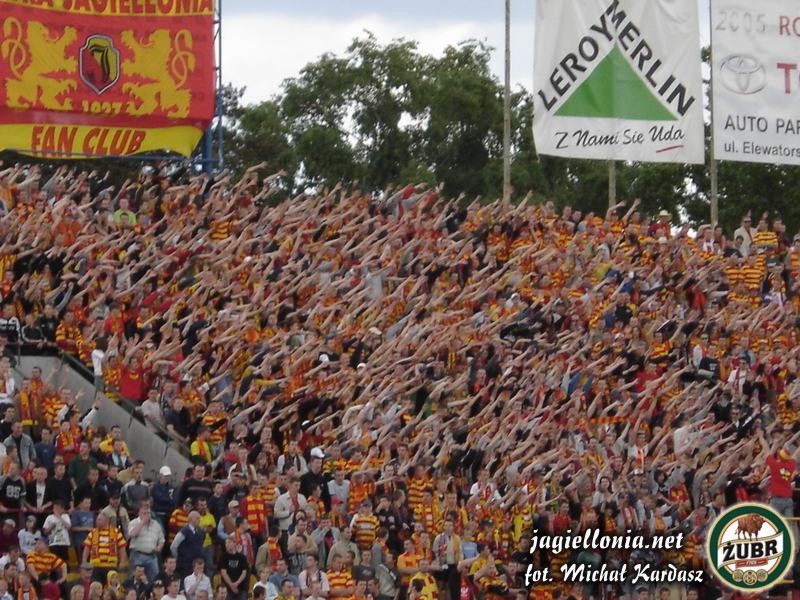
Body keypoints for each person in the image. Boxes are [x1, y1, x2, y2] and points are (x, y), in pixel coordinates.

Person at [82, 512, 127, 584]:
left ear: (106, 520)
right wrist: (84, 561)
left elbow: (122, 547)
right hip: (95, 566)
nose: (97, 521)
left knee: (112, 585)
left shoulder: (116, 532)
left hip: (111, 566)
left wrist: (122, 562)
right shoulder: (93, 532)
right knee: (95, 585)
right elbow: (87, 547)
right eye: (97, 519)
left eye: (99, 519)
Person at [127, 501, 164, 583]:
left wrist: (159, 547)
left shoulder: (156, 524)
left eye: (148, 513)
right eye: (144, 513)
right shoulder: (133, 522)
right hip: (137, 555)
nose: (147, 515)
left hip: (152, 556)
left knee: (155, 579)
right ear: (139, 513)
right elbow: (133, 534)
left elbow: (161, 539)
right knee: (134, 579)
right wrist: (142, 522)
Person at [171, 510, 205, 580]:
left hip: (196, 564)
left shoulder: (201, 532)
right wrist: (178, 558)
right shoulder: (184, 531)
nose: (199, 520)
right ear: (191, 519)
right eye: (197, 518)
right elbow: (173, 546)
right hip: (185, 565)